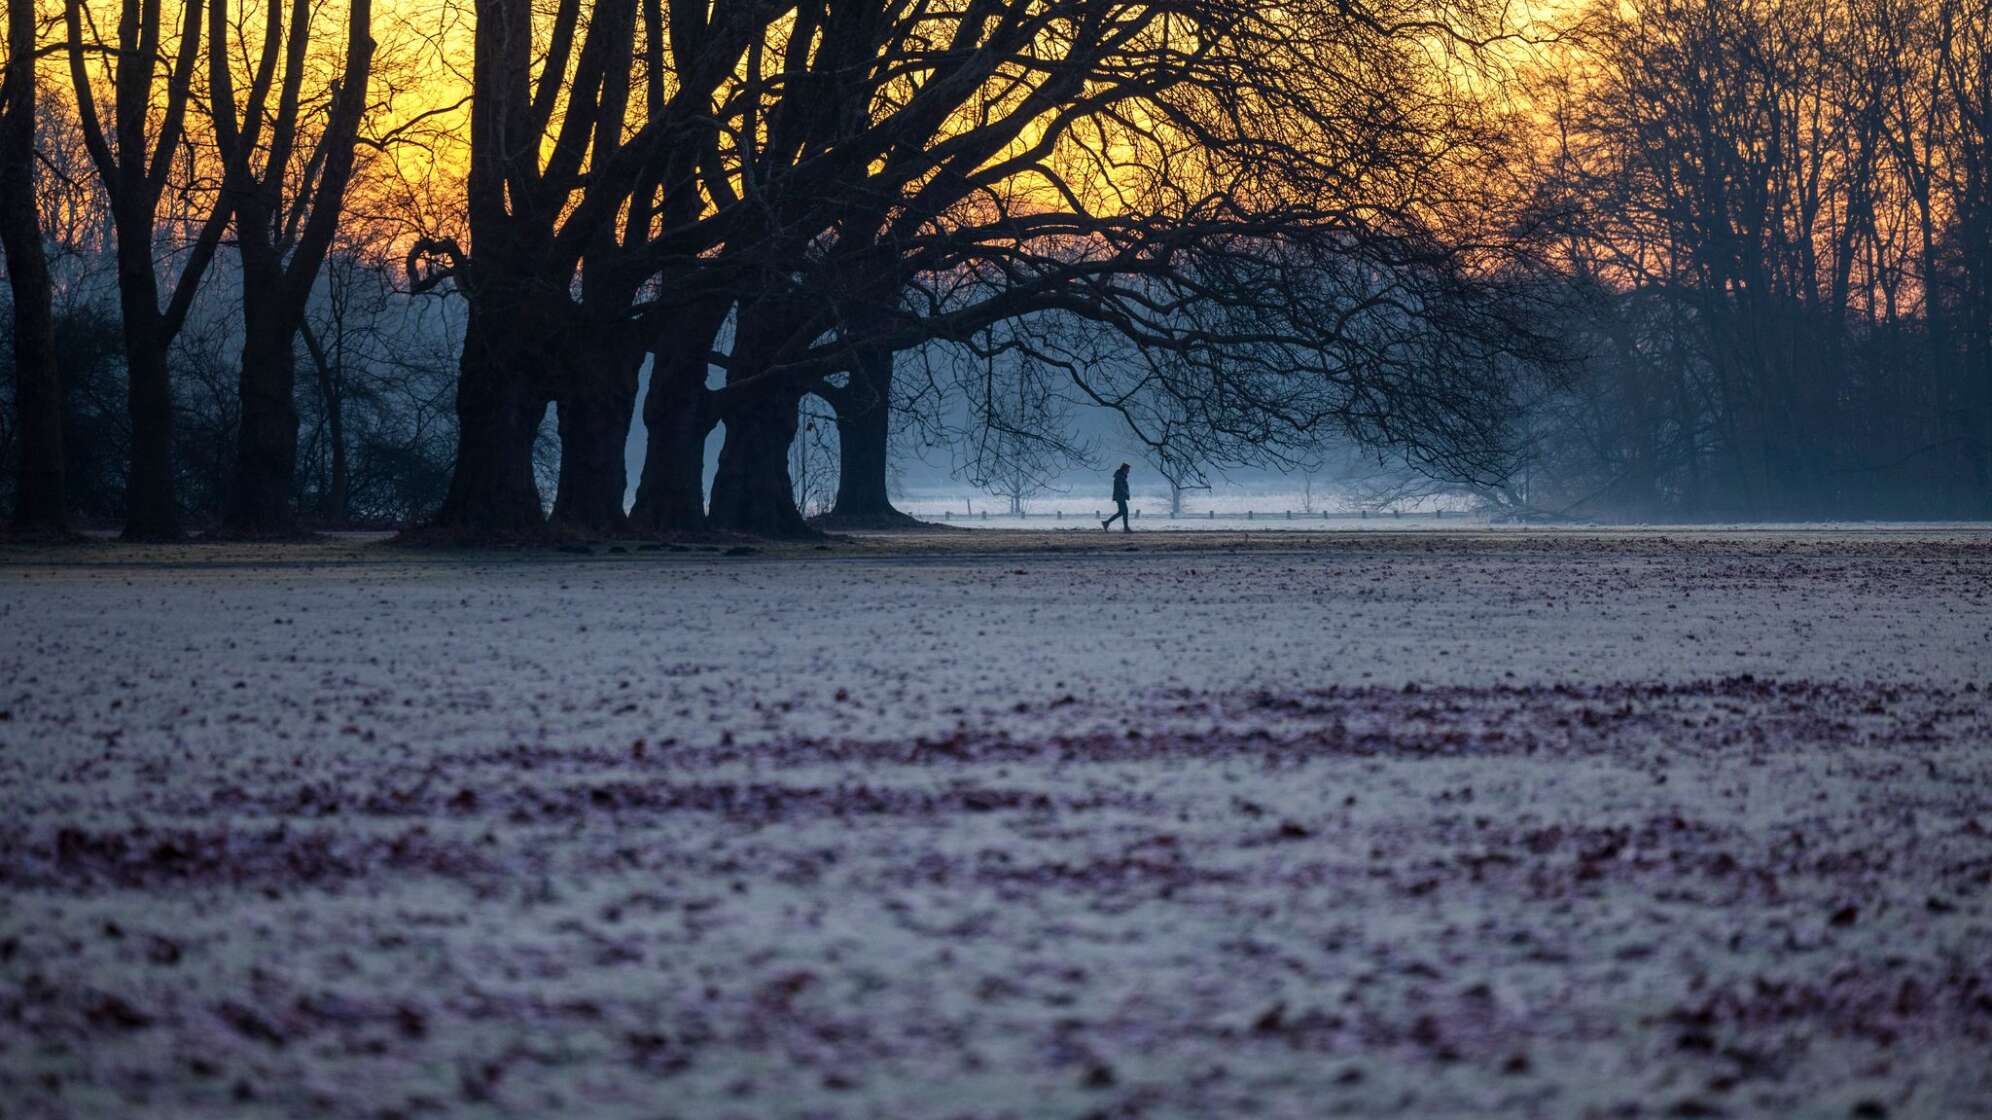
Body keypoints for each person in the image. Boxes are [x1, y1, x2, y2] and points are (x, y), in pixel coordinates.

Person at [1102, 463, 1132, 532]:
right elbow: (1120, 487)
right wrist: (1126, 493)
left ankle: (1125, 527)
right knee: (1123, 511)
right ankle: (1107, 523)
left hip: (1120, 496)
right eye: (1128, 469)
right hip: (1120, 496)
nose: (1129, 471)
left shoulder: (1121, 476)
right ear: (1124, 469)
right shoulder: (1120, 476)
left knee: (1123, 512)